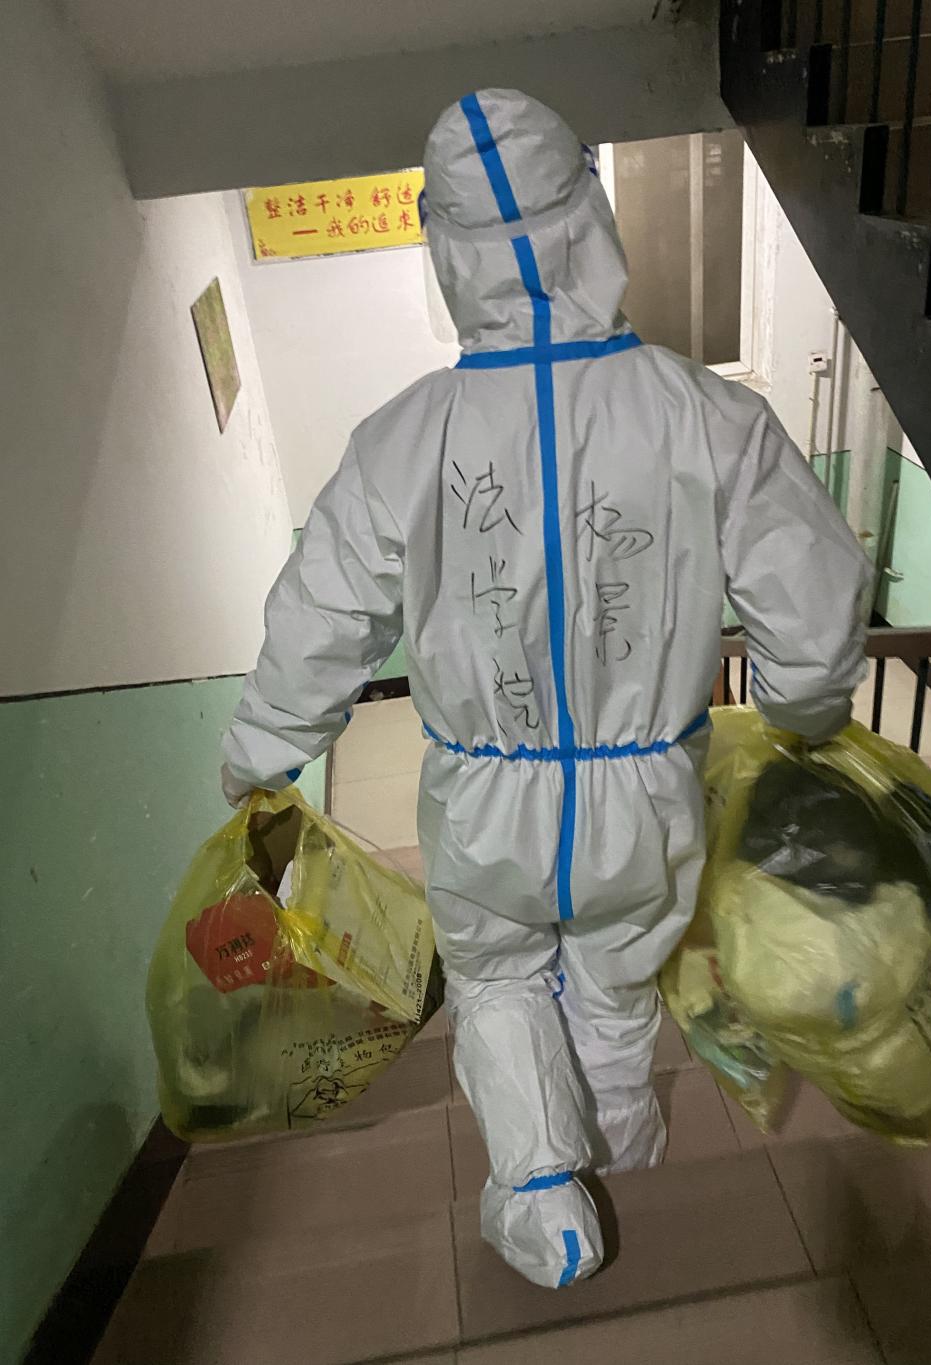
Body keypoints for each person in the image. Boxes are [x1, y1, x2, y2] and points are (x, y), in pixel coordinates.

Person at [221, 89, 870, 1288]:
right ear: (591, 217)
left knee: (497, 981)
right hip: (648, 799)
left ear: (445, 252)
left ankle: (538, 1190)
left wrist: (259, 754)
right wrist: (799, 712)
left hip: (482, 805)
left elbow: (318, 621)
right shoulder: (710, 417)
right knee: (617, 984)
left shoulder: (399, 442)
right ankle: (623, 1158)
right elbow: (813, 604)